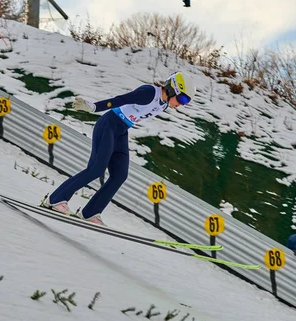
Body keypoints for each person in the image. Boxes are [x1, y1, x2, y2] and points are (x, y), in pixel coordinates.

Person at [42, 71, 196, 226]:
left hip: (121, 130)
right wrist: (95, 107)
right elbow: (121, 100)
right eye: (182, 98)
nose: (181, 104)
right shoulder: (149, 93)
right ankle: (55, 200)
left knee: (120, 175)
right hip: (108, 125)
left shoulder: (163, 104)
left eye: (186, 102)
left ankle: (90, 213)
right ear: (172, 89)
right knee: (96, 169)